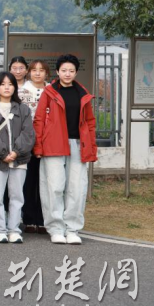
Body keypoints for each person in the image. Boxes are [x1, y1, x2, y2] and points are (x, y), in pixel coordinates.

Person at [33, 54, 97, 245]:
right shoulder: (49, 92)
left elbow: (90, 122)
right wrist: (38, 145)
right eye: (64, 70)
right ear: (57, 72)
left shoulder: (82, 93)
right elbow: (39, 120)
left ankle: (72, 229)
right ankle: (55, 228)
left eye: (71, 71)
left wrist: (92, 147)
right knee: (54, 187)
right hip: (53, 144)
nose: (67, 74)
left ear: (76, 72)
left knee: (77, 188)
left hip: (78, 144)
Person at [0, 72, 35, 244]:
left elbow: (28, 134)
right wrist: (3, 153)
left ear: (15, 87)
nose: (6, 87)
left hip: (19, 160)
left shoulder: (23, 109)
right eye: (3, 84)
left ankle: (14, 230)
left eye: (10, 84)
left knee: (17, 196)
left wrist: (16, 152)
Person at [19, 59, 49, 234]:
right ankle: (29, 219)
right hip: (27, 142)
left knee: (45, 181)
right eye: (34, 70)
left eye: (41, 70)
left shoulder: (52, 91)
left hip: (48, 142)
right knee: (28, 181)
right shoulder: (21, 92)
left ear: (47, 73)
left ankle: (43, 219)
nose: (37, 73)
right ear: (29, 72)